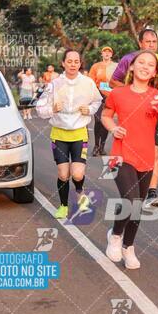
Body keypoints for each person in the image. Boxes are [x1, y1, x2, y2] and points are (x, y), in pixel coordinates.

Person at [101, 50, 158, 269]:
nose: (145, 66)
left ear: (155, 72)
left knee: (138, 206)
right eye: (141, 62)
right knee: (131, 199)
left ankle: (129, 247)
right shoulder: (118, 94)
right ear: (131, 67)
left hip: (146, 158)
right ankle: (115, 236)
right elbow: (106, 115)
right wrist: (113, 128)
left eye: (150, 64)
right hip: (120, 154)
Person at [110, 28, 158, 208]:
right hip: (131, 115)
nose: (151, 45)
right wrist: (132, 92)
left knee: (154, 151)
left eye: (154, 42)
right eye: (148, 42)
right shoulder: (128, 59)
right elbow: (113, 81)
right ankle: (132, 190)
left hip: (154, 111)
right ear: (140, 43)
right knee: (131, 154)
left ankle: (150, 194)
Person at [36, 49, 102, 219]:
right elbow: (40, 108)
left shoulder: (88, 83)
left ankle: (80, 192)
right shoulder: (54, 84)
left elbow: (97, 100)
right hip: (59, 135)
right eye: (69, 61)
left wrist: (90, 110)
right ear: (63, 63)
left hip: (79, 133)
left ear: (80, 64)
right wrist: (51, 109)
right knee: (63, 174)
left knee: (78, 173)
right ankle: (64, 206)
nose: (73, 64)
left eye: (76, 61)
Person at [89, 46, 118, 156]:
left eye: (109, 52)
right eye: (104, 52)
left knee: (106, 121)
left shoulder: (116, 66)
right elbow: (91, 82)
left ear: (111, 54)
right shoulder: (96, 66)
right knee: (97, 120)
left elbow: (119, 80)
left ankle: (102, 147)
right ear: (101, 54)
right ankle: (96, 146)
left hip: (110, 96)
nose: (106, 53)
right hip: (98, 95)